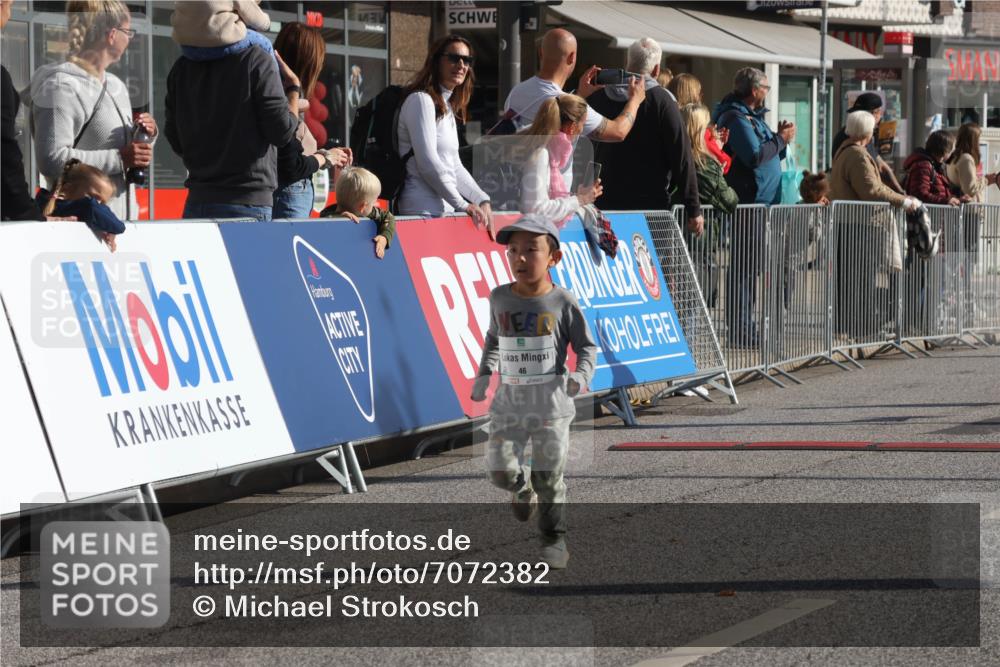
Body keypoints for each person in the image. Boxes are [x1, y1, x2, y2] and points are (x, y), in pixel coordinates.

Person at [471, 214, 597, 570]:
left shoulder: (562, 302)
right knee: (498, 469)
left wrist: (581, 376)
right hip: (509, 403)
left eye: (531, 250)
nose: (520, 258)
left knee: (549, 477)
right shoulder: (499, 298)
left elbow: (586, 347)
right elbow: (494, 338)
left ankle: (554, 541)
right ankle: (518, 488)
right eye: (513, 251)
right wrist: (484, 374)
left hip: (551, 407)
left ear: (553, 258)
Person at [165, 4, 298, 221]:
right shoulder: (257, 59)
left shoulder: (181, 68)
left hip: (197, 200)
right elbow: (281, 132)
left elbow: (176, 139)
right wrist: (293, 91)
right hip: (247, 203)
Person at [28, 0, 156, 221]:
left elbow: (126, 151)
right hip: (81, 226)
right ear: (112, 34)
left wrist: (146, 134)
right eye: (129, 31)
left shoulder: (117, 86)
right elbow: (51, 160)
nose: (131, 39)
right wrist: (119, 159)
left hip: (119, 223)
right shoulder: (61, 86)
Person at [712, 67, 794, 346]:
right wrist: (779, 139)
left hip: (761, 205)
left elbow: (768, 151)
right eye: (766, 88)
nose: (767, 93)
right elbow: (755, 155)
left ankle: (747, 328)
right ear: (754, 90)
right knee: (745, 269)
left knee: (751, 267)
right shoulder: (736, 118)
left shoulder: (752, 118)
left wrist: (780, 141)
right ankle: (741, 330)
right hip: (749, 204)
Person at [587, 38, 703, 235]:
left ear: (627, 61)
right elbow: (682, 156)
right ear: (656, 70)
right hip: (650, 208)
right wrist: (693, 209)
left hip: (603, 204)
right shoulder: (663, 101)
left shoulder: (597, 97)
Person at [502, 28, 646, 181]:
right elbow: (618, 132)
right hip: (553, 197)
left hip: (518, 190)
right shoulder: (572, 107)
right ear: (572, 57)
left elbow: (559, 110)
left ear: (540, 53)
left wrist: (580, 94)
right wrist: (635, 101)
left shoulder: (516, 92)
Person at [829, 110, 921, 340]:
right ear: (868, 132)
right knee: (861, 279)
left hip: (849, 221)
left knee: (851, 279)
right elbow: (871, 190)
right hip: (860, 224)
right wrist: (904, 200)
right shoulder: (858, 155)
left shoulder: (843, 151)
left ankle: (848, 327)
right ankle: (864, 328)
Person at [397, 35, 494, 238]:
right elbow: (427, 163)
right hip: (420, 210)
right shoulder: (421, 100)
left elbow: (454, 166)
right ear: (436, 61)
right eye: (453, 58)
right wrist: (463, 204)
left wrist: (481, 199)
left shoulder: (446, 106)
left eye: (467, 60)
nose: (461, 65)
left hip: (444, 211)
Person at [272, 22, 350, 219]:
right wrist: (326, 158)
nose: (321, 65)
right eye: (319, 59)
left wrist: (325, 155)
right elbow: (291, 165)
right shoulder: (283, 97)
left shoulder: (277, 92)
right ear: (309, 61)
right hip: (288, 196)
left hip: (288, 195)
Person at [679, 102, 737, 310]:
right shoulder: (703, 162)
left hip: (685, 236)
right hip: (698, 240)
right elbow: (729, 200)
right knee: (692, 303)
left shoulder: (677, 155)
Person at [515, 95, 603, 224]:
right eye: (583, 125)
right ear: (572, 127)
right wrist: (579, 200)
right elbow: (536, 210)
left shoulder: (543, 149)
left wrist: (579, 197)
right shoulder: (540, 154)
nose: (582, 130)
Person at [40, 158, 125, 251]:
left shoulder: (41, 202)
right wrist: (109, 228)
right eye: (94, 197)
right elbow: (119, 227)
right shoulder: (83, 207)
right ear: (67, 189)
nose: (99, 205)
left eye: (103, 203)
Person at [831, 93, 904, 194]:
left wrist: (901, 193)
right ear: (874, 113)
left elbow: (882, 166)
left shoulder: (857, 135)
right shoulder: (855, 141)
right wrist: (902, 198)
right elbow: (872, 187)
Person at [319, 167, 396, 259]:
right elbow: (325, 224)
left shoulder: (370, 213)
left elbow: (388, 216)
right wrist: (339, 219)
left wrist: (384, 237)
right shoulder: (327, 216)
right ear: (363, 207)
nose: (374, 207)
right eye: (373, 203)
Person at [170, 1, 275, 64]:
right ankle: (279, 84)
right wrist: (267, 22)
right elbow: (258, 21)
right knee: (266, 43)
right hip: (217, 47)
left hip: (188, 49)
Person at [669, 72, 730, 174]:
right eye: (698, 92)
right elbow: (724, 163)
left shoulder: (668, 118)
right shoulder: (697, 124)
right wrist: (718, 146)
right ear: (692, 95)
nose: (701, 96)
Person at [903, 130, 961, 206]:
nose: (952, 154)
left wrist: (958, 200)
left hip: (934, 215)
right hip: (926, 215)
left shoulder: (936, 166)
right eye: (951, 151)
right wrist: (945, 201)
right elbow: (919, 194)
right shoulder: (924, 166)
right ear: (945, 151)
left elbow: (940, 193)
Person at [946, 123, 998, 203]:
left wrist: (981, 180)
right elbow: (970, 189)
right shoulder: (966, 159)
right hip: (969, 210)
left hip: (959, 208)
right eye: (978, 139)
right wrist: (986, 180)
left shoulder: (954, 156)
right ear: (973, 140)